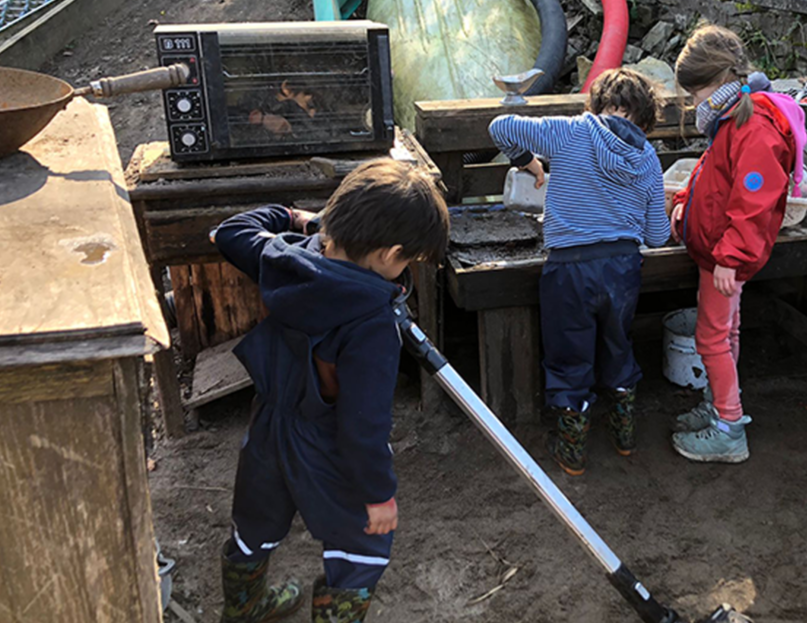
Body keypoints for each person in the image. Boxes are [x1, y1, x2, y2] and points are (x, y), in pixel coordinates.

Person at [211, 159, 449, 622]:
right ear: (390, 254)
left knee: (256, 521)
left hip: (268, 426)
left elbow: (228, 232)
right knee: (361, 545)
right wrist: (378, 494)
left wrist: (295, 218)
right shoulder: (372, 322)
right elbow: (364, 425)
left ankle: (243, 607)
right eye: (407, 261)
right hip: (325, 443)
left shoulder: (283, 259)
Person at [488, 68, 671, 476]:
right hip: (622, 269)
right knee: (617, 342)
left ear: (597, 104)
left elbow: (500, 127)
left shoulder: (571, 131)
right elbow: (658, 236)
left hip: (569, 269)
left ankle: (572, 450)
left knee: (569, 351)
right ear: (645, 120)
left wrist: (528, 162)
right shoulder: (647, 157)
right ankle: (624, 435)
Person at [668, 25, 807, 464]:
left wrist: (731, 257)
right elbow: (711, 174)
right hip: (718, 251)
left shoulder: (753, 127)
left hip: (723, 257)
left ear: (716, 82)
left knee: (711, 337)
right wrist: (684, 201)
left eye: (694, 94)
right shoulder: (731, 118)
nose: (694, 103)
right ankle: (719, 404)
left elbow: (754, 202)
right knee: (726, 331)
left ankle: (728, 426)